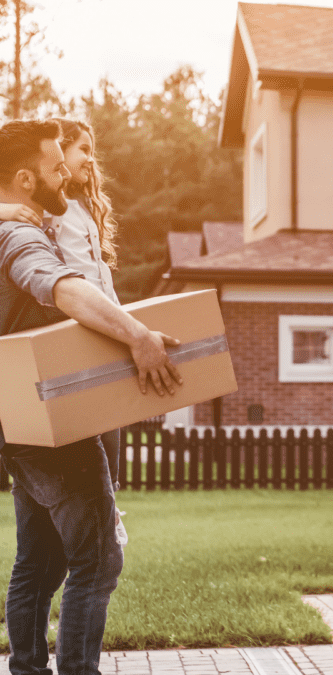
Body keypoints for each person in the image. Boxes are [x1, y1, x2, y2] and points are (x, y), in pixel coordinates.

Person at [0, 119, 181, 675]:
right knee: (99, 559)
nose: (67, 174)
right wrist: (138, 335)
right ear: (27, 179)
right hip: (56, 428)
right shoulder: (20, 237)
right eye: (56, 166)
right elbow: (64, 287)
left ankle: (28, 667)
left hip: (20, 426)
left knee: (38, 561)